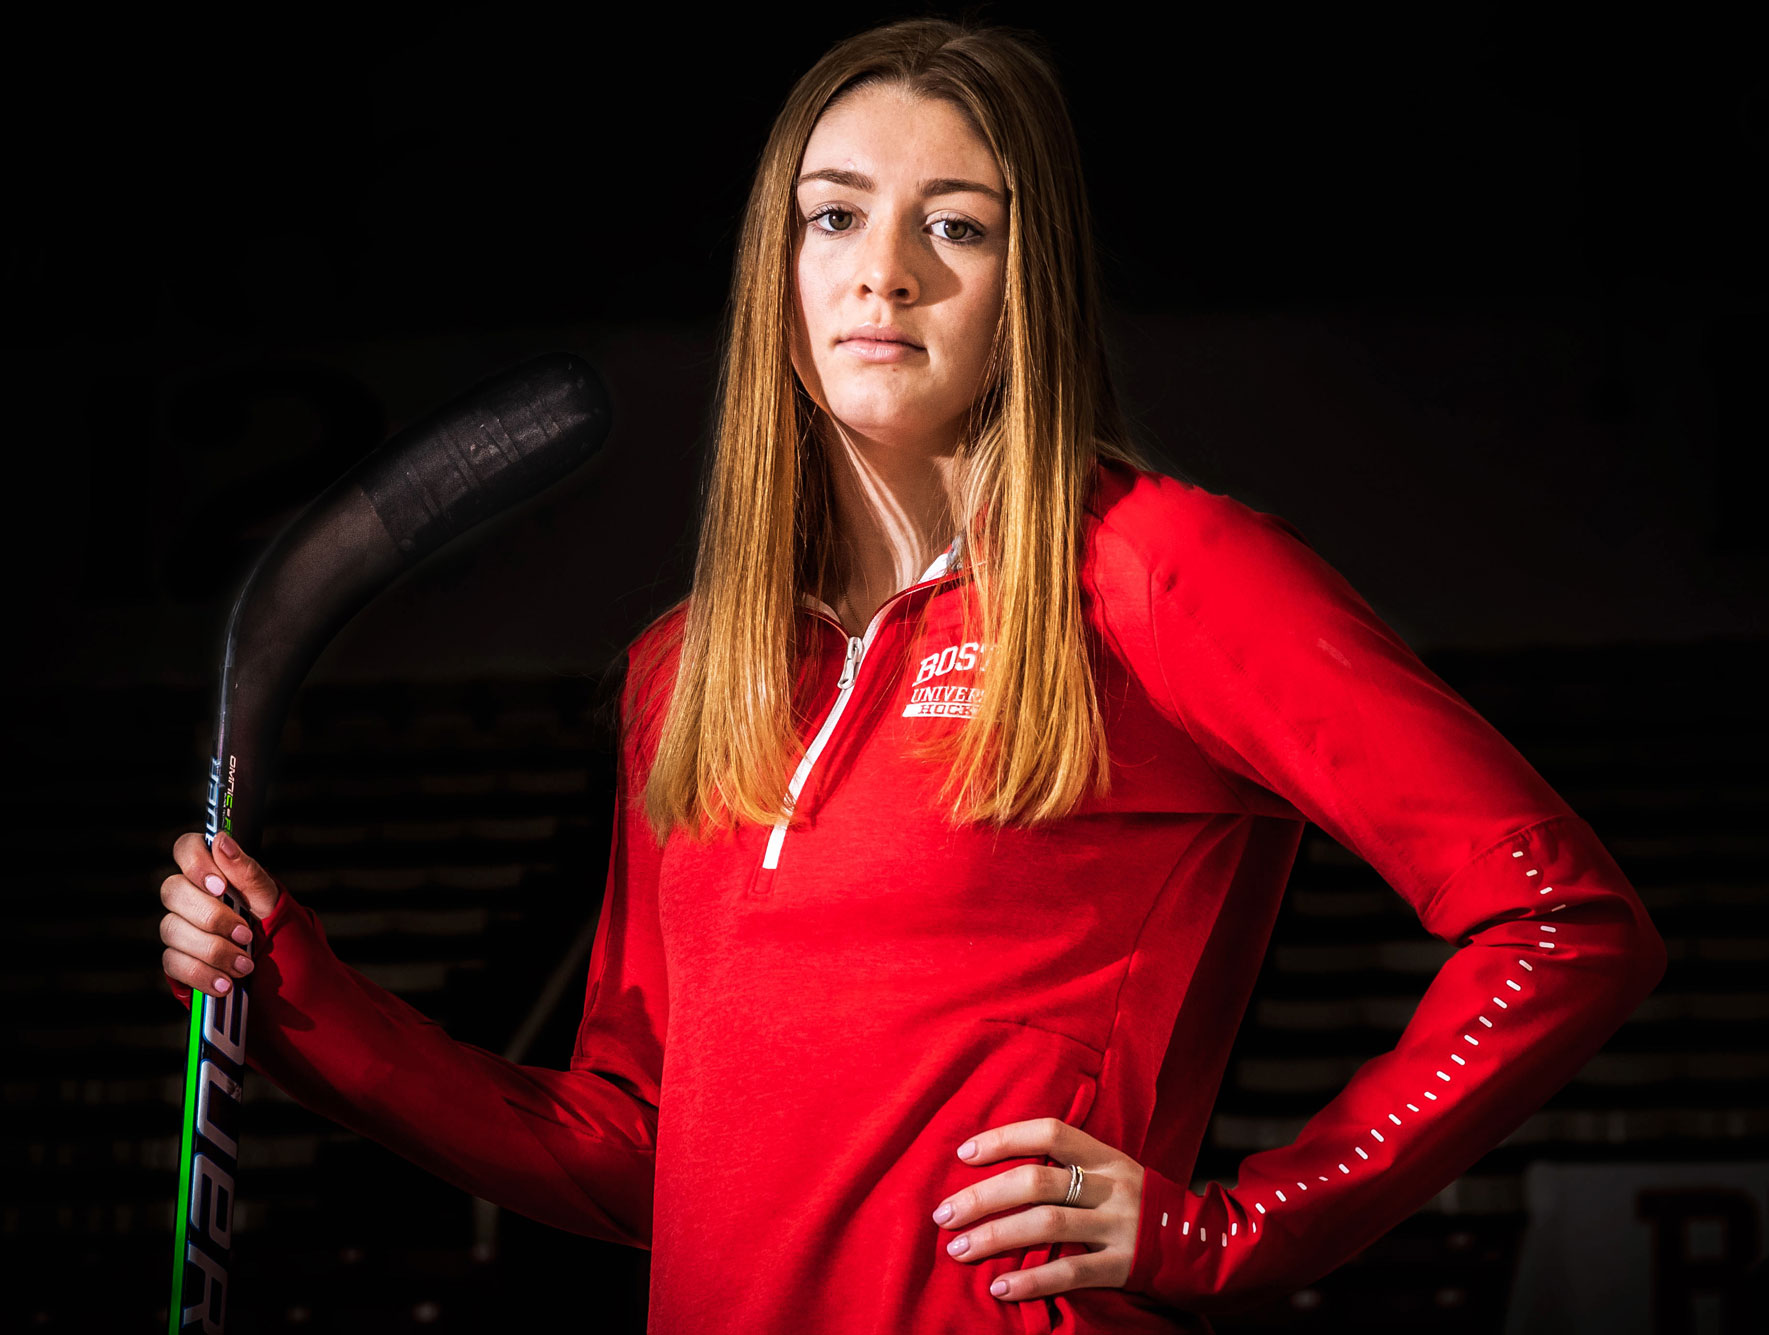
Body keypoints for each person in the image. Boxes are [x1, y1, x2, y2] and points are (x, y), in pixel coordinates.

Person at [159, 17, 1667, 1333]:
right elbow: (636, 1152)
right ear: (779, 265)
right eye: (833, 218)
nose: (881, 274)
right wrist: (299, 998)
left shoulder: (1157, 570)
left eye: (955, 227)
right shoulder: (683, 672)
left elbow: (1563, 922)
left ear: (1031, 284)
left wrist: (1244, 1227)